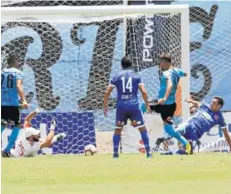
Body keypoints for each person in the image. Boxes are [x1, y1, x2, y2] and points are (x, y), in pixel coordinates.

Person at [103, 56, 152, 158]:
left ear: (121, 65)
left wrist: (105, 105)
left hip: (121, 106)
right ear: (131, 65)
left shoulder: (116, 77)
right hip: (133, 106)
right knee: (142, 129)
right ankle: (148, 153)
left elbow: (107, 92)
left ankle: (115, 154)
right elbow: (144, 92)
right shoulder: (136, 76)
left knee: (118, 129)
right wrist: (147, 105)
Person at [149, 53, 191, 154]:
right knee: (169, 130)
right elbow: (185, 74)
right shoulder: (176, 71)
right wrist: (179, 73)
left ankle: (133, 121)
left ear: (166, 62)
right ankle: (186, 144)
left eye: (161, 62)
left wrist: (164, 97)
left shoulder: (166, 73)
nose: (160, 64)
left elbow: (170, 85)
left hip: (164, 104)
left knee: (144, 105)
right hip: (171, 105)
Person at [1, 54, 28, 157]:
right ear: (15, 61)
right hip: (12, 104)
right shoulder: (18, 73)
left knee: (3, 124)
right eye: (18, 61)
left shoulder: (2, 72)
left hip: (1, 104)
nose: (19, 63)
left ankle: (7, 151)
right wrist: (24, 100)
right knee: (18, 125)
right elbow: (18, 85)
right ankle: (7, 150)